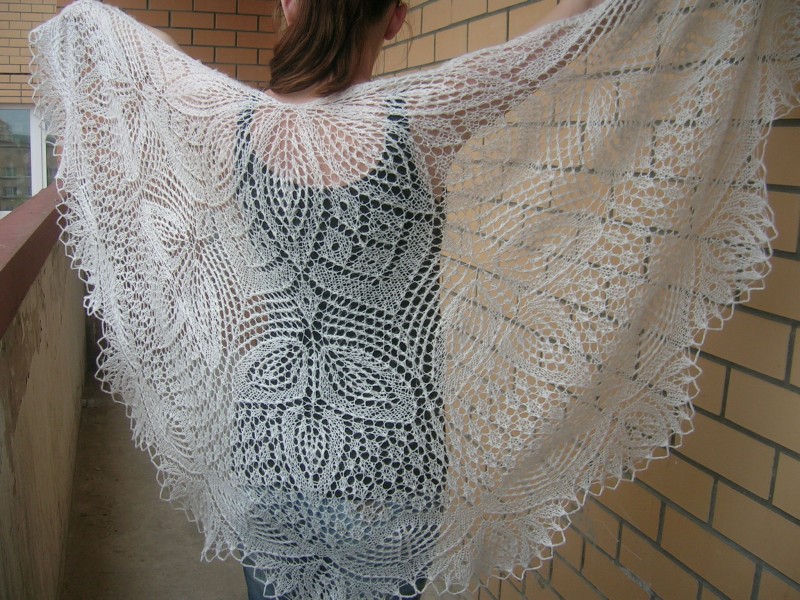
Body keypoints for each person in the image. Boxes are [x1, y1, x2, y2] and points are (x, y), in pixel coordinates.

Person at [29, 0, 797, 598]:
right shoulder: (421, 116)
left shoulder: (226, 120)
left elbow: (115, 53)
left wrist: (82, 24)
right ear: (395, 17)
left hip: (267, 441)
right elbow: (560, 43)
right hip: (389, 461)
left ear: (288, 6)